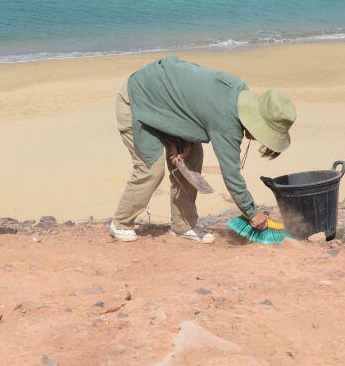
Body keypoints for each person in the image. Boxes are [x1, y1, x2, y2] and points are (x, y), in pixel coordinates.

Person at [110, 55, 296, 243]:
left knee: (192, 160)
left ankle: (182, 225)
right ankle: (121, 223)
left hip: (165, 103)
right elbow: (231, 175)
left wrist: (185, 142)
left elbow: (193, 107)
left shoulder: (240, 92)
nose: (258, 139)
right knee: (150, 170)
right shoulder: (228, 121)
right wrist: (252, 213)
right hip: (136, 100)